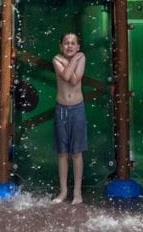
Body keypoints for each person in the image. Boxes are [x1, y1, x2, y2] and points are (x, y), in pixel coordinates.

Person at [52, 32, 87, 204]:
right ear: (61, 46)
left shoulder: (82, 58)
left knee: (76, 153)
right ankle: (63, 191)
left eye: (73, 43)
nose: (70, 46)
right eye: (66, 43)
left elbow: (74, 80)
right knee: (62, 153)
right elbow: (66, 77)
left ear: (78, 46)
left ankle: (78, 192)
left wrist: (67, 63)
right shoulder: (56, 60)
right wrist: (72, 61)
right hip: (61, 109)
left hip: (77, 109)